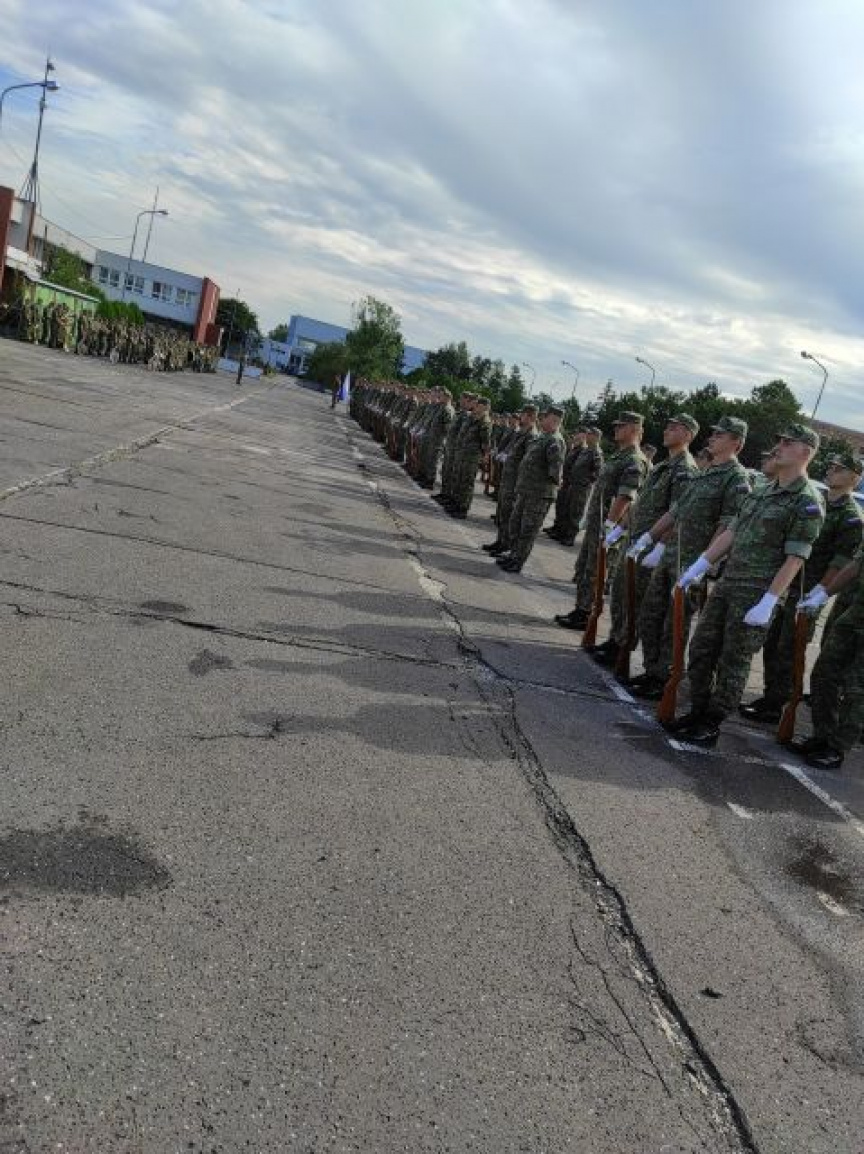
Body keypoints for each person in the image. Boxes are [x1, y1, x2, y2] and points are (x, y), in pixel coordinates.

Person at [667, 423, 824, 747]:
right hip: (729, 583)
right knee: (701, 648)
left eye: (788, 442)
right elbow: (732, 532)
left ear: (805, 452)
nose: (779, 447)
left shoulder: (806, 501)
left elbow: (795, 558)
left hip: (755, 591)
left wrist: (769, 601)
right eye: (780, 440)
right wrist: (699, 567)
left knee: (733, 660)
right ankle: (697, 710)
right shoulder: (763, 489)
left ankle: (712, 722)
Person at [629, 416, 750, 699]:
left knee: (675, 624)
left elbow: (727, 526)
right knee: (650, 615)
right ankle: (652, 670)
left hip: (692, 564)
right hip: (671, 556)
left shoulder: (736, 478)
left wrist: (704, 565)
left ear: (736, 443)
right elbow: (675, 512)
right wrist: (649, 538)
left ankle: (665, 677)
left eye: (721, 435)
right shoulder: (704, 472)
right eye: (714, 433)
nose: (712, 438)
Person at [740, 450, 864, 724]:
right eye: (831, 466)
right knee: (772, 644)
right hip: (789, 585)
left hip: (810, 590)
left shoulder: (851, 517)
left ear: (854, 478)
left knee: (790, 650)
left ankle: (779, 704)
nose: (831, 471)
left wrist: (819, 593)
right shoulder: (816, 500)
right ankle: (770, 696)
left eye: (839, 469)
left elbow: (840, 561)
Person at [590, 413, 699, 667]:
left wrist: (659, 547)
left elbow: (677, 514)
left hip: (649, 546)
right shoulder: (662, 466)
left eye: (674, 428)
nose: (667, 431)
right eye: (667, 426)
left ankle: (624, 646)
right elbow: (639, 504)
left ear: (687, 435)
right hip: (635, 540)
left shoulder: (685, 470)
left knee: (635, 599)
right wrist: (618, 529)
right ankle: (616, 639)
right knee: (621, 592)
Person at [555, 412, 648, 632]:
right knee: (585, 567)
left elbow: (625, 497)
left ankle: (587, 614)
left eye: (621, 426)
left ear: (634, 430)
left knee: (596, 569)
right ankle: (581, 608)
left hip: (609, 526)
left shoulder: (634, 460)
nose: (616, 429)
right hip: (597, 522)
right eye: (616, 425)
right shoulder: (619, 456)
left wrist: (610, 526)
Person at [793, 535, 864, 769]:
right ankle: (822, 735)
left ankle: (837, 747)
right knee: (824, 672)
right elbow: (856, 565)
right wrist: (823, 594)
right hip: (856, 611)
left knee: (857, 688)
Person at [496, 407, 566, 573]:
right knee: (516, 525)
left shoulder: (555, 441)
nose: (541, 419)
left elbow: (555, 473)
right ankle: (513, 555)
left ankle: (518, 561)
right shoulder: (543, 437)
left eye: (545, 417)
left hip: (538, 495)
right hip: (526, 491)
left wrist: (540, 483)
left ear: (554, 421)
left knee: (527, 530)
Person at [483, 406, 539, 555]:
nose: (520, 417)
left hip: (515, 481)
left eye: (523, 415)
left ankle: (506, 544)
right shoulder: (521, 433)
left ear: (531, 417)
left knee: (509, 513)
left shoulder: (531, 436)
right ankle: (500, 541)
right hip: (507, 478)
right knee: (503, 511)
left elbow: (527, 461)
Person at [448, 396, 491, 518]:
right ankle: (456, 503)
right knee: (459, 479)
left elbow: (486, 443)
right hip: (463, 453)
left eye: (479, 405)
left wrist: (484, 457)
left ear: (485, 408)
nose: (476, 407)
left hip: (472, 457)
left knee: (467, 483)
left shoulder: (484, 422)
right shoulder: (472, 418)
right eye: (477, 405)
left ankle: (463, 508)